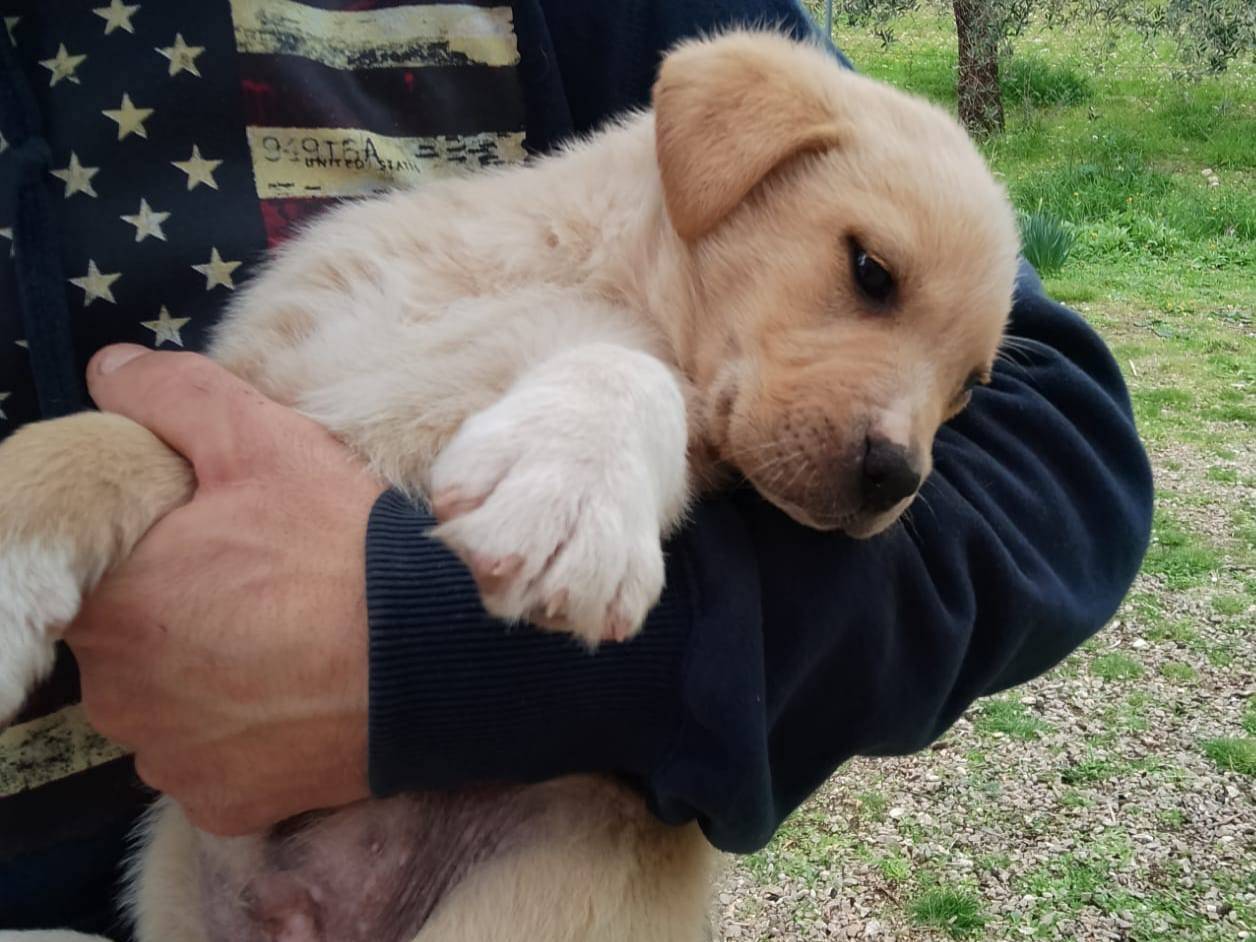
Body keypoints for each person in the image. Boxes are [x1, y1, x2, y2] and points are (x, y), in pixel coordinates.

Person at [0, 0, 1152, 937]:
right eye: (867, 276)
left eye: (957, 388)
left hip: (527, 868)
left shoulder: (658, 379)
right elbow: (196, 441)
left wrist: (429, 659)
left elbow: (1061, 470)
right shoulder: (497, 269)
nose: (906, 446)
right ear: (723, 158)